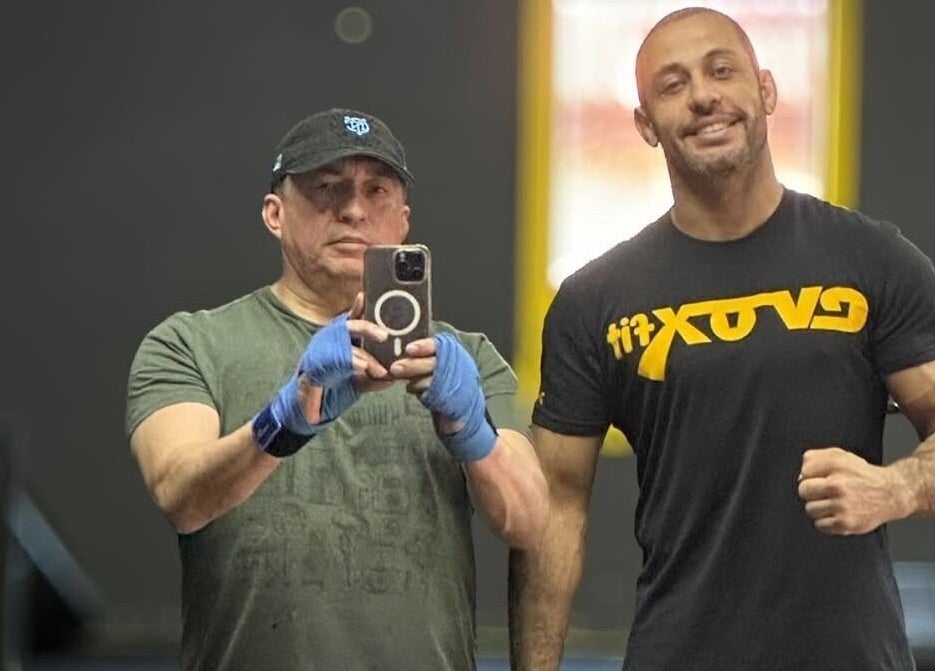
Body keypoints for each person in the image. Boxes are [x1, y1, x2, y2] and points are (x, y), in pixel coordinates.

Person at [509, 7, 935, 670]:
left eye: (721, 70)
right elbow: (555, 509)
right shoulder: (594, 301)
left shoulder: (871, 259)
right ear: (645, 125)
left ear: (765, 90)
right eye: (672, 84)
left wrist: (899, 487)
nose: (703, 95)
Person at [126, 108, 548, 670]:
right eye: (327, 188)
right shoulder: (190, 343)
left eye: (377, 191)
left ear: (403, 222)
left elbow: (529, 521)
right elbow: (180, 497)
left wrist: (472, 432)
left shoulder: (463, 358)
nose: (353, 210)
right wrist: (284, 421)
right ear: (275, 213)